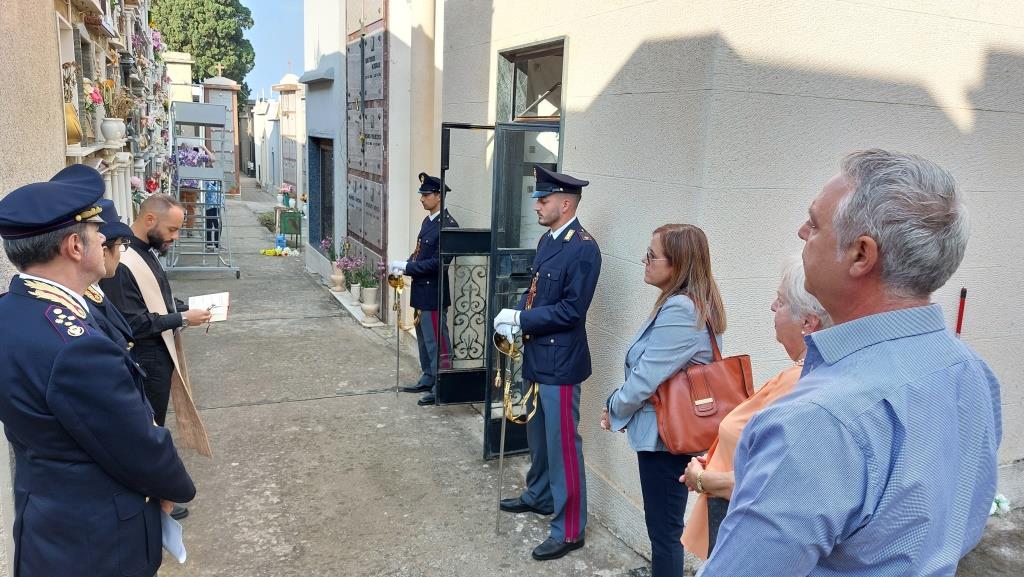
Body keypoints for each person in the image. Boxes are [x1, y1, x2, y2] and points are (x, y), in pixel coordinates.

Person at [697, 149, 1002, 576]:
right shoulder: (970, 370)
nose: (802, 231)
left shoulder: (818, 422)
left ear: (861, 255)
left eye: (815, 224)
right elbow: (964, 523)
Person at [0, 165, 196, 577]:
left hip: (49, 526)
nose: (105, 238)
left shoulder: (13, 310)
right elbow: (135, 441)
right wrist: (173, 487)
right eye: (96, 232)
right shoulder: (76, 347)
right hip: (97, 541)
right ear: (74, 245)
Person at [680, 259, 831, 559]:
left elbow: (782, 485)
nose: (773, 307)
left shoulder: (800, 384)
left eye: (782, 300)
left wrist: (703, 479)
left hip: (746, 535)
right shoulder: (805, 375)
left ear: (808, 322)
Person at [599, 223, 725, 577]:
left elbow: (645, 377)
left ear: (679, 263)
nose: (645, 260)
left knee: (665, 533)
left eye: (653, 255)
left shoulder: (682, 310)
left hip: (666, 440)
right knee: (664, 527)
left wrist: (613, 408)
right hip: (665, 435)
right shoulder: (682, 303)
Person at [493, 164, 602, 561]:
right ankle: (539, 495)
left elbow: (572, 310)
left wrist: (522, 319)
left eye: (544, 198)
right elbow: (536, 291)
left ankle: (570, 528)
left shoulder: (584, 248)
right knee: (537, 437)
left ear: (566, 202)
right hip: (537, 352)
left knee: (562, 447)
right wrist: (516, 315)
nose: (536, 203)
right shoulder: (548, 240)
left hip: (561, 362)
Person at [101, 194, 213, 520]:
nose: (176, 237)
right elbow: (134, 323)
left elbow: (156, 297)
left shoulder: (147, 250)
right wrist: (182, 319)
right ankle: (151, 502)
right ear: (150, 221)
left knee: (155, 426)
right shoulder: (122, 263)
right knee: (149, 430)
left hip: (159, 352)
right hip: (147, 358)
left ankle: (156, 496)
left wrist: (186, 307)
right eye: (173, 230)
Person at [389, 172, 459, 406]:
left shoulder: (448, 226)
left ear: (439, 196)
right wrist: (405, 263)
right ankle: (428, 376)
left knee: (437, 341)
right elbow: (420, 252)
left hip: (434, 294)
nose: (422, 199)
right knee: (422, 339)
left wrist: (409, 266)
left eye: (426, 194)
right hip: (421, 291)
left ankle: (443, 385)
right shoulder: (428, 221)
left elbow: (440, 263)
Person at [84, 199, 136, 349]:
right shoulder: (83, 297)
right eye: (120, 245)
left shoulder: (93, 289)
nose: (120, 256)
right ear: (104, 251)